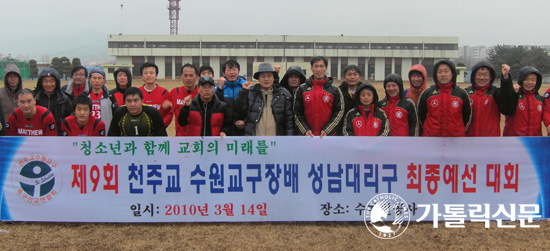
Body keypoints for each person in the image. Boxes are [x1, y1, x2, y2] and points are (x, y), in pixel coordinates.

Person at [234, 63, 294, 136]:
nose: (266, 79)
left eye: (269, 76)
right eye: (263, 76)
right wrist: (244, 92)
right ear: (258, 78)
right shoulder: (251, 92)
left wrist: (289, 139)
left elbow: (289, 121)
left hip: (276, 141)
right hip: (255, 140)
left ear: (273, 78)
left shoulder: (283, 94)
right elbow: (239, 110)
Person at [417, 59, 471, 137]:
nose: (443, 74)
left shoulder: (461, 94)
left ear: (452, 73)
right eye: (439, 72)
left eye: (446, 71)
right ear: (435, 74)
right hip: (431, 139)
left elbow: (467, 117)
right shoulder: (427, 93)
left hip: (456, 140)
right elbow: (421, 117)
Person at [294, 56, 344, 137]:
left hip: (327, 137)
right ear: (311, 68)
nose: (318, 69)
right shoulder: (302, 89)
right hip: (306, 137)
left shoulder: (335, 90)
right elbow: (297, 113)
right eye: (316, 66)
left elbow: (339, 112)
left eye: (321, 66)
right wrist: (305, 130)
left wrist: (327, 130)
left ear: (326, 68)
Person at [465, 62, 514, 136]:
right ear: (474, 76)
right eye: (479, 74)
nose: (482, 78)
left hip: (490, 139)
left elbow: (506, 94)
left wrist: (505, 76)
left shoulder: (495, 92)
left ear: (491, 77)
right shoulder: (466, 93)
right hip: (469, 139)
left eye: (485, 75)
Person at [503, 66, 544, 136]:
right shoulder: (514, 95)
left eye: (533, 80)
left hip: (534, 140)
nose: (529, 82)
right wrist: (513, 93)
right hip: (514, 140)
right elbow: (506, 109)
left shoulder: (540, 99)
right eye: (526, 79)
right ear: (521, 80)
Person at [34, 68, 72, 135]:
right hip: (38, 135)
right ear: (41, 82)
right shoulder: (34, 98)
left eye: (52, 81)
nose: (49, 84)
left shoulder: (64, 99)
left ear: (56, 82)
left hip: (58, 136)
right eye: (45, 81)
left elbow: (70, 118)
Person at [215, 59, 248, 136]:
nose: (232, 72)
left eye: (234, 70)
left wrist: (245, 122)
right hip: (223, 131)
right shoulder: (218, 88)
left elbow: (251, 109)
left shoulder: (246, 87)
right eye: (229, 70)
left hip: (242, 130)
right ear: (224, 73)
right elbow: (216, 107)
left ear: (238, 72)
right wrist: (220, 88)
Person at [138, 62, 172, 128]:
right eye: (145, 73)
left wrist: (160, 125)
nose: (148, 75)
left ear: (156, 75)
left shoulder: (165, 93)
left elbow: (169, 114)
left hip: (159, 130)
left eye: (151, 73)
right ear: (142, 76)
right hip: (141, 131)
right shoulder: (137, 93)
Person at [84, 68, 118, 134]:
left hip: (106, 132)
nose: (97, 81)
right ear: (89, 79)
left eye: (99, 78)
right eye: (94, 78)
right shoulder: (84, 96)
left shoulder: (110, 97)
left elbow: (115, 115)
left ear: (104, 80)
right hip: (88, 133)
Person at [170, 64, 199, 136]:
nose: (188, 78)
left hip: (198, 137)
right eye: (185, 75)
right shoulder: (174, 92)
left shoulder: (201, 93)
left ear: (197, 76)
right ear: (181, 77)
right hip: (180, 136)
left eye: (191, 75)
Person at [336, 65, 363, 135]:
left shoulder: (365, 92)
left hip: (360, 129)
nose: (352, 77)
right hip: (341, 130)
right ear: (344, 77)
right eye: (349, 74)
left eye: (355, 74)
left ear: (360, 77)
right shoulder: (337, 92)